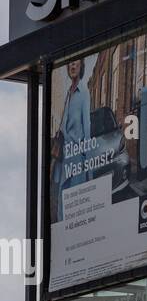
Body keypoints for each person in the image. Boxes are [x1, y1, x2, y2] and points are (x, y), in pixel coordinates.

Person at [51, 58, 91, 221]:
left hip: (76, 159)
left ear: (81, 66)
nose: (72, 65)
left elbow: (86, 127)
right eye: (70, 63)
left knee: (76, 207)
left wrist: (88, 164)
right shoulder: (68, 93)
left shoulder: (84, 92)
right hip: (64, 159)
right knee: (62, 202)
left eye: (76, 62)